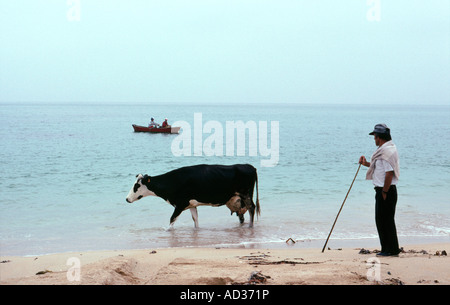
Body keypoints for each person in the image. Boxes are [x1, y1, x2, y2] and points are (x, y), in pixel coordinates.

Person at [359, 124, 401, 257]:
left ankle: (388, 250)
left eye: (375, 137)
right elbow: (378, 168)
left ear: (379, 137)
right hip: (386, 190)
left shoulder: (386, 152)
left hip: (385, 191)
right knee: (386, 220)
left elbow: (389, 173)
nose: (374, 139)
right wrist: (365, 163)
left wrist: (384, 192)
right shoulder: (385, 150)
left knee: (383, 220)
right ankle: (391, 249)